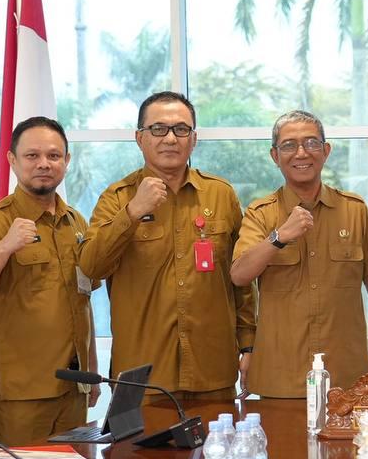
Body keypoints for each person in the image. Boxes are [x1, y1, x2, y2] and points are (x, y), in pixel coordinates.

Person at [79, 91, 256, 407]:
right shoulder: (117, 198)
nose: (170, 138)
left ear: (194, 139)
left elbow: (240, 281)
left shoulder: (221, 195)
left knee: (217, 442)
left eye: (181, 129)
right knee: (139, 444)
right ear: (140, 138)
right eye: (158, 129)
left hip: (212, 371)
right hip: (142, 378)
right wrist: (133, 212)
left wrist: (249, 345)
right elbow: (92, 266)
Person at [230, 111, 368, 397]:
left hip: (347, 374)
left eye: (311, 143)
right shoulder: (261, 213)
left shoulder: (354, 210)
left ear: (326, 151)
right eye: (289, 145)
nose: (301, 153)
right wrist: (279, 237)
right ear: (275, 156)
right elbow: (239, 275)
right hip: (281, 376)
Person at [0, 116, 99, 445]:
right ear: (12, 160)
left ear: (66, 161)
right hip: (21, 391)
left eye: (53, 155)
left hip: (73, 386)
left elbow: (84, 300)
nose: (44, 164)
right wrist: (5, 246)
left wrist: (92, 371)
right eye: (32, 155)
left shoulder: (76, 222)